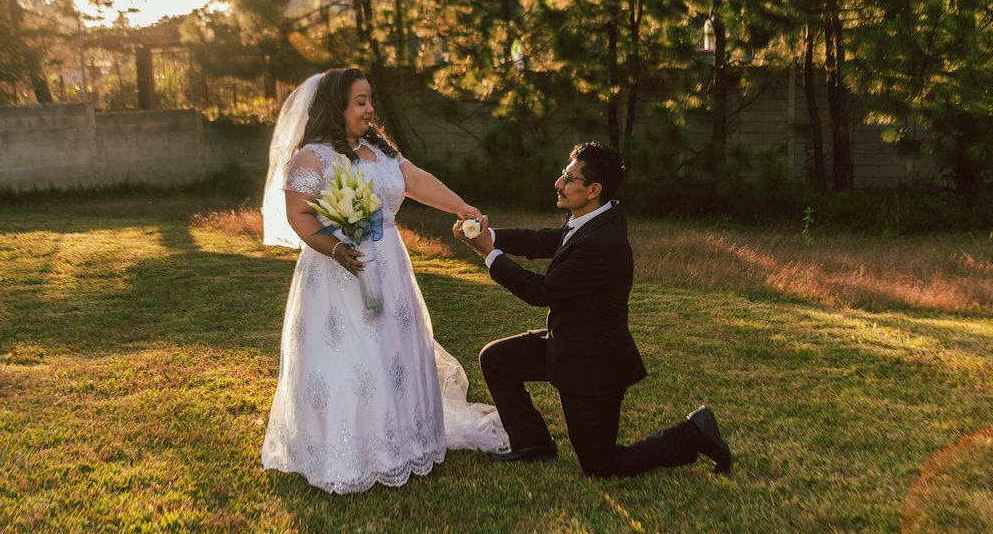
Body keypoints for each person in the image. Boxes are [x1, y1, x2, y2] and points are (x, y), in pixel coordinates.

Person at [261, 68, 506, 494]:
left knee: (393, 351)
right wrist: (334, 247)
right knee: (351, 358)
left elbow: (417, 182)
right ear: (337, 106)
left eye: (370, 100)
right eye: (361, 101)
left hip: (390, 268)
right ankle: (347, 453)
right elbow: (299, 214)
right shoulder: (312, 157)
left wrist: (461, 206)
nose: (370, 109)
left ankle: (402, 442)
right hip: (337, 273)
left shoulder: (381, 150)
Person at [453, 141, 732, 478]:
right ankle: (531, 442)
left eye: (569, 178)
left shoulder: (601, 244)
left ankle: (696, 432)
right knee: (496, 358)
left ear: (593, 189)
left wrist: (488, 254)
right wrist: (489, 235)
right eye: (563, 175)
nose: (559, 183)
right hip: (567, 342)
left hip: (593, 363)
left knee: (601, 466)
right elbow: (542, 240)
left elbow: (541, 292)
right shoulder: (593, 221)